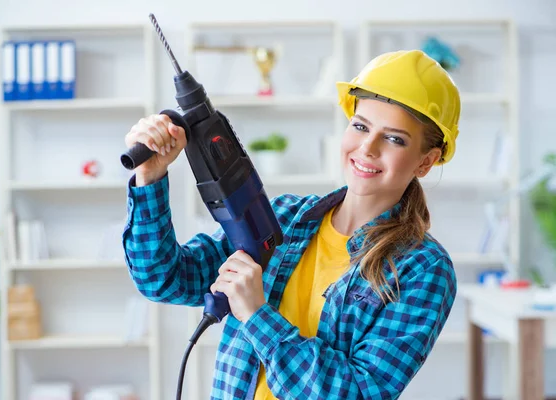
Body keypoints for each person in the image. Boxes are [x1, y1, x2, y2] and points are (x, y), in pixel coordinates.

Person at [122, 49, 460, 400]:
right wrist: (151, 176)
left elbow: (359, 393)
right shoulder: (280, 219)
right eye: (360, 126)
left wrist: (256, 315)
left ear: (426, 161)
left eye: (394, 138)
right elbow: (164, 278)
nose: (368, 148)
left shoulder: (422, 269)